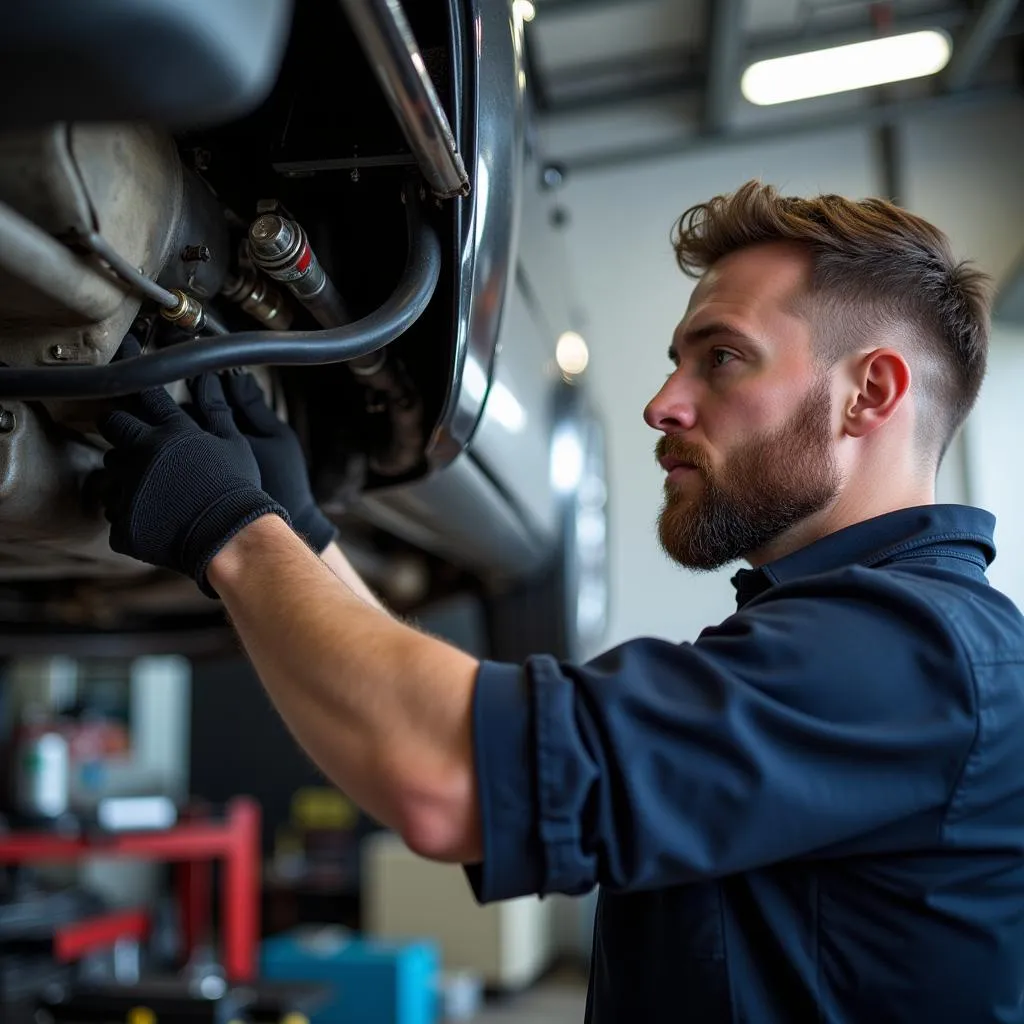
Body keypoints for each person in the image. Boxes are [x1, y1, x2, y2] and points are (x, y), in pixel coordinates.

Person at [98, 181, 1024, 1023]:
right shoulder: (865, 641)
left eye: (724, 358)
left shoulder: (913, 654)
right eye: (677, 361)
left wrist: (232, 531)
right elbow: (499, 755)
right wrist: (298, 532)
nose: (664, 402)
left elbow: (448, 776)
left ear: (871, 392)